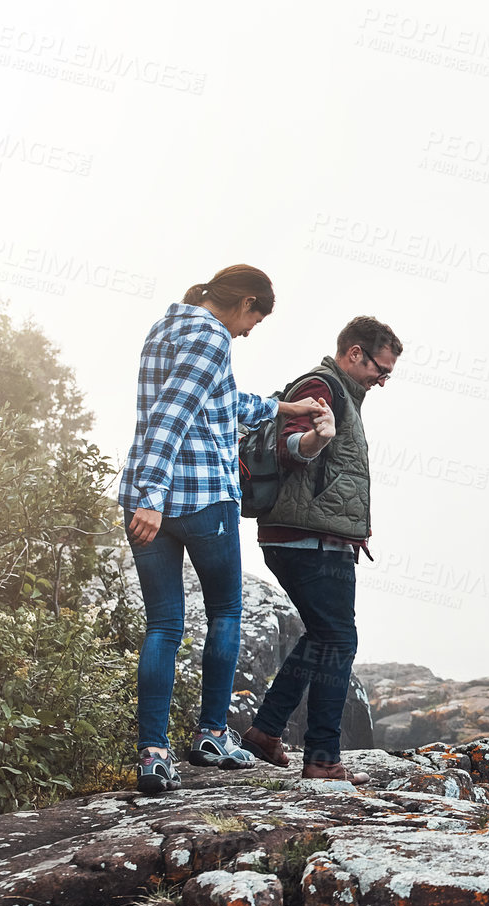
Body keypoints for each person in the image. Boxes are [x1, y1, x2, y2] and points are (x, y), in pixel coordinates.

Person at [119, 265, 327, 795]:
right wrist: (154, 500)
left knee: (163, 626)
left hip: (147, 498)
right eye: (255, 319)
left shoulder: (167, 325)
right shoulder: (212, 336)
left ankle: (153, 755)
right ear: (247, 302)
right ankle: (212, 734)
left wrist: (285, 407)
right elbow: (172, 415)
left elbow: (220, 404)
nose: (250, 330)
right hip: (197, 498)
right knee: (225, 612)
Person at [240, 316, 402, 784]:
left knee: (321, 635)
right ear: (355, 353)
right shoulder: (321, 386)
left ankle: (266, 731)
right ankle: (324, 758)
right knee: (339, 639)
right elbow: (290, 446)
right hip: (307, 538)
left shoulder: (344, 394)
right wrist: (315, 439)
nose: (382, 380)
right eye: (380, 369)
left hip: (315, 536)